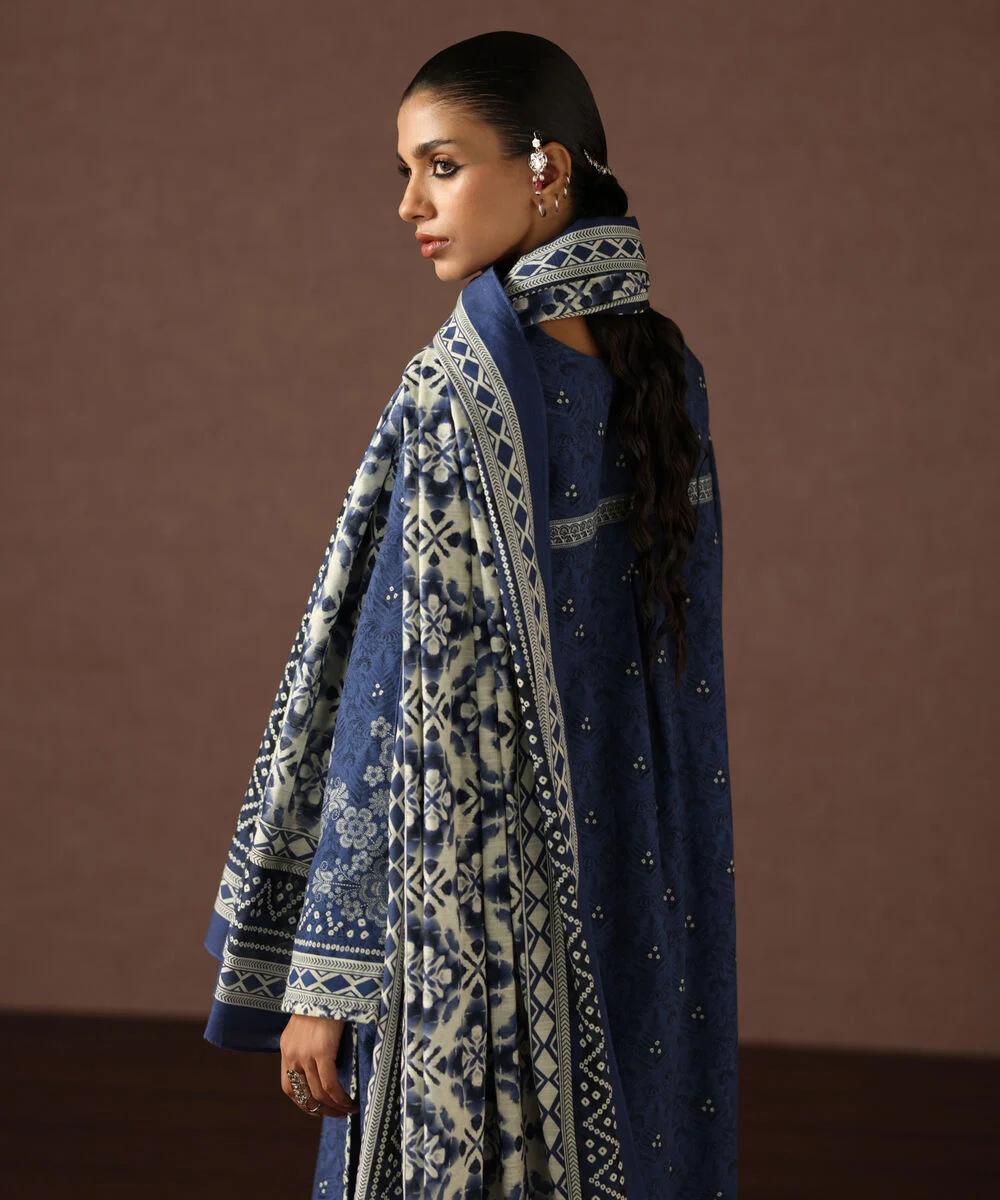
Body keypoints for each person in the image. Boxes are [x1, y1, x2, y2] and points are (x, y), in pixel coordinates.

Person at [203, 29, 737, 1200]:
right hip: (631, 892)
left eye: (440, 167)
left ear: (546, 169)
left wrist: (326, 981)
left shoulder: (459, 395)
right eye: (405, 172)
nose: (409, 205)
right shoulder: (665, 373)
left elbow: (385, 695)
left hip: (464, 934)